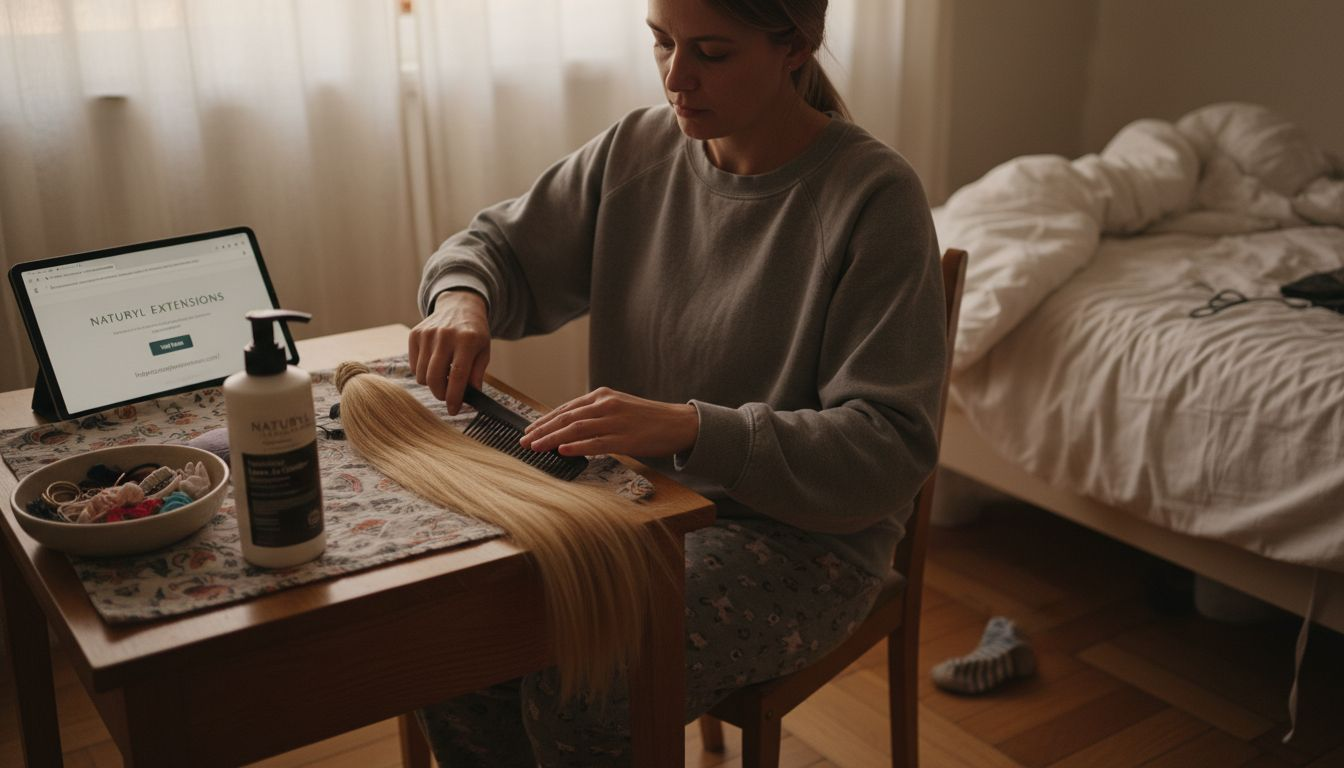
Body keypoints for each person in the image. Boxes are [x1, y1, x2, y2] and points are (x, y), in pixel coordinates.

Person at [406, 0, 946, 763]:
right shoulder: (639, 149)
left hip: (801, 544)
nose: (676, 77)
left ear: (795, 46)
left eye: (713, 53)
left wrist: (694, 429)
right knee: (453, 643)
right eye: (661, 43)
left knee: (586, 685)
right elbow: (494, 247)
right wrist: (463, 296)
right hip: (634, 511)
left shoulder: (873, 198)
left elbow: (890, 448)